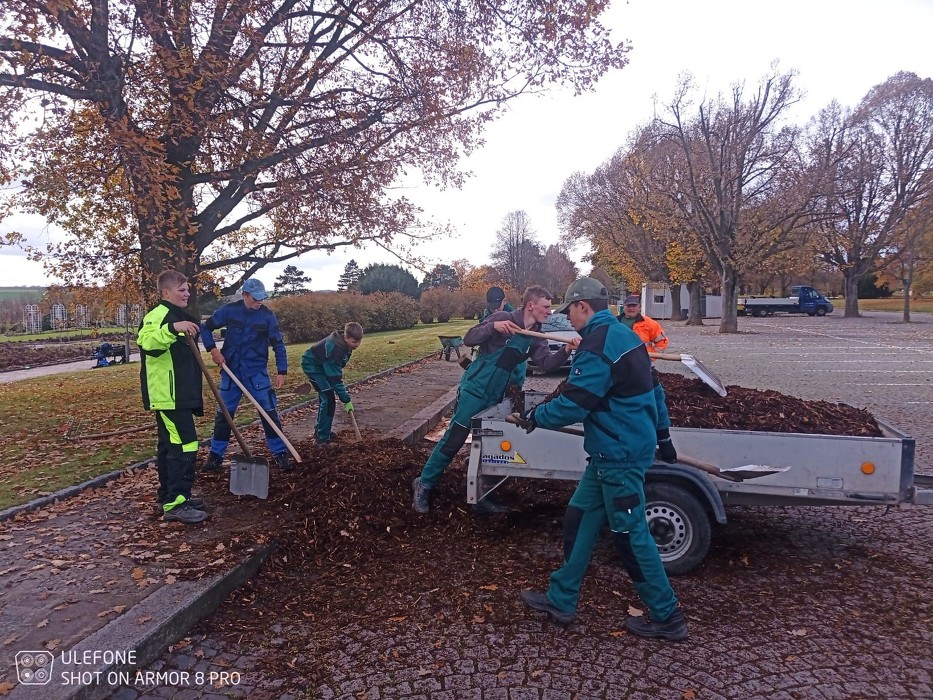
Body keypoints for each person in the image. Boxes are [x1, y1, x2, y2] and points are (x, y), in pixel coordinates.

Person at [517, 277, 688, 641]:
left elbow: (578, 402)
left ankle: (666, 615)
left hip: (619, 455)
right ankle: (562, 598)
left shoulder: (597, 344)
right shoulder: (629, 337)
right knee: (579, 518)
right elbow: (655, 391)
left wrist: (536, 417)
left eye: (570, 311)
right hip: (609, 453)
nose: (570, 319)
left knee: (631, 536)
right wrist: (664, 435)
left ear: (583, 306)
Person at [412, 285, 577, 514]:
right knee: (455, 438)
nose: (550, 311)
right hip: (475, 391)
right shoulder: (503, 317)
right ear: (531, 305)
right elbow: (468, 339)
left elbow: (546, 364)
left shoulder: (535, 336)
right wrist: (493, 326)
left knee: (489, 444)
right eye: (546, 307)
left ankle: (480, 496)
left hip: (497, 397)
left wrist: (566, 351)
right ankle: (424, 483)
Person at [200, 278, 293, 473]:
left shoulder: (267, 316)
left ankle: (280, 453)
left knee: (269, 413)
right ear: (245, 295)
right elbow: (206, 327)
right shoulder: (229, 310)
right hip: (231, 371)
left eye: (262, 298)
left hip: (256, 373)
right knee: (224, 416)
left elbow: (278, 344)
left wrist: (281, 371)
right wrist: (213, 350)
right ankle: (215, 456)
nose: (259, 302)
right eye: (255, 298)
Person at [138, 270, 209, 525]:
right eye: (182, 290)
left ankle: (168, 496)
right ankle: (176, 502)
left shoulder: (180, 315)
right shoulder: (158, 316)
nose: (187, 293)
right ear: (166, 292)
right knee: (185, 445)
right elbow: (147, 343)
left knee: (170, 446)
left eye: (188, 289)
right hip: (168, 396)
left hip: (181, 394)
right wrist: (172, 328)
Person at [618, 294, 677, 464]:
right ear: (624, 306)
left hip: (643, 369)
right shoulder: (615, 323)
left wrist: (651, 359)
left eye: (634, 306)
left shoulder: (649, 324)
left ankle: (664, 441)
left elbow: (662, 341)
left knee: (656, 399)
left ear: (639, 306)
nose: (631, 308)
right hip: (620, 372)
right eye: (628, 305)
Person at [301, 322, 364, 445]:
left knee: (326, 398)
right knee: (328, 399)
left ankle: (321, 431)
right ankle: (322, 439)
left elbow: (334, 372)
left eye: (359, 342)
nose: (357, 345)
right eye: (354, 342)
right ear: (346, 337)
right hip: (313, 367)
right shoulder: (335, 350)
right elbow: (335, 379)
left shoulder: (344, 344)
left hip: (323, 366)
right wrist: (346, 400)